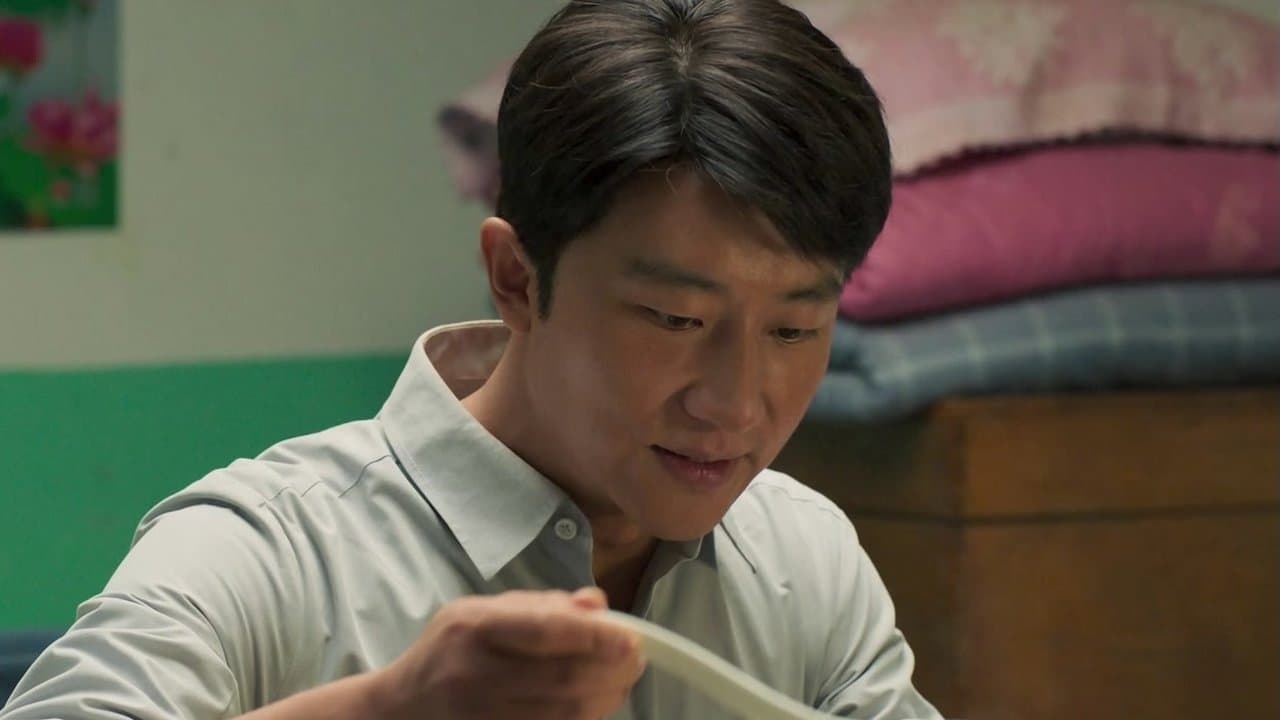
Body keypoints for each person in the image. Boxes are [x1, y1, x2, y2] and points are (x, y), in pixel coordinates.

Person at [0, 1, 942, 718]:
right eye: (675, 319)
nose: (735, 405)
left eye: (793, 330)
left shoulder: (801, 561)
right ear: (515, 278)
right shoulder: (265, 554)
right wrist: (388, 709)